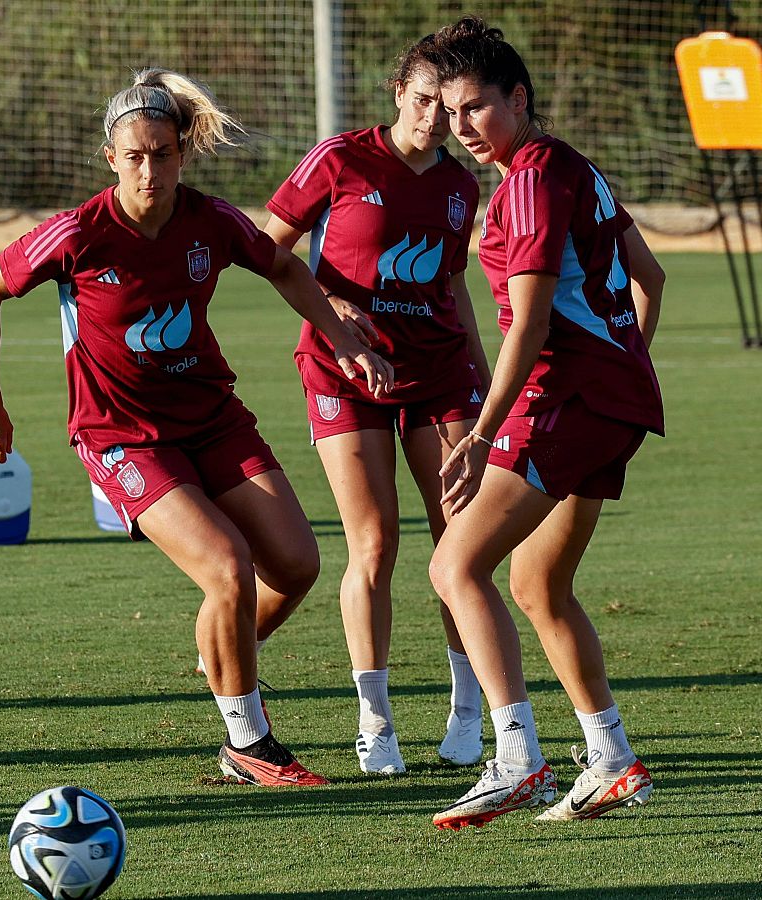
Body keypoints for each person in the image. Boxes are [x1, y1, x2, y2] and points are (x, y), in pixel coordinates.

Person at [0, 68, 393, 788]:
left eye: (163, 153)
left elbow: (285, 268)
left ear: (182, 154)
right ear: (111, 158)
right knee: (227, 568)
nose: (150, 169)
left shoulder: (212, 221)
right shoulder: (78, 233)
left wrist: (341, 334)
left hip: (212, 419)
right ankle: (247, 742)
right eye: (135, 155)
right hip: (121, 435)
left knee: (296, 566)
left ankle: (221, 650)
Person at [423, 16, 663, 828]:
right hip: (611, 399)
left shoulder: (527, 181)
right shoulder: (571, 165)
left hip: (568, 399)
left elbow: (526, 327)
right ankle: (612, 760)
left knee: (455, 568)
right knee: (536, 583)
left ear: (518, 99)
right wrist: (626, 362)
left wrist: (485, 431)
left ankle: (516, 759)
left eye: (477, 107)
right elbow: (650, 276)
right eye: (451, 112)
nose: (462, 126)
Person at [260, 35, 491, 774]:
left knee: (460, 542)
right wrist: (329, 305)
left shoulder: (462, 185)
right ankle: (376, 718)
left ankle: (466, 711)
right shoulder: (340, 160)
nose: (434, 118)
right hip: (341, 370)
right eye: (423, 101)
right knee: (376, 543)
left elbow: (454, 284)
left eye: (448, 107)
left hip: (440, 371)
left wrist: (484, 377)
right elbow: (271, 248)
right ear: (397, 93)